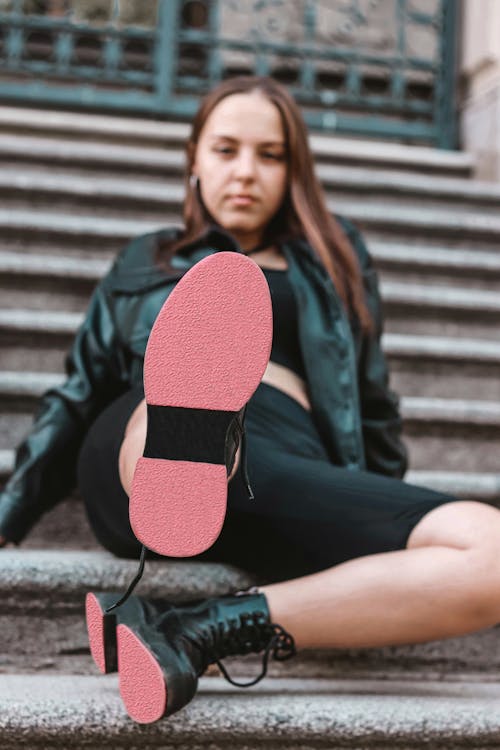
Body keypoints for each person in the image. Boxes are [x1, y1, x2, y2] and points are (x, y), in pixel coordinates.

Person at [2, 75, 500, 724]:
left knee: (488, 549)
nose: (246, 171)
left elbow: (372, 403)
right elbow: (76, 393)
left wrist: (370, 515)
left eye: (270, 155)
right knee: (160, 406)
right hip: (134, 445)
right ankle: (183, 445)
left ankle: (197, 628)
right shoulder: (149, 259)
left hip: (280, 460)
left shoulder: (332, 257)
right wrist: (10, 515)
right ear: (193, 162)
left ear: (295, 171)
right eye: (226, 149)